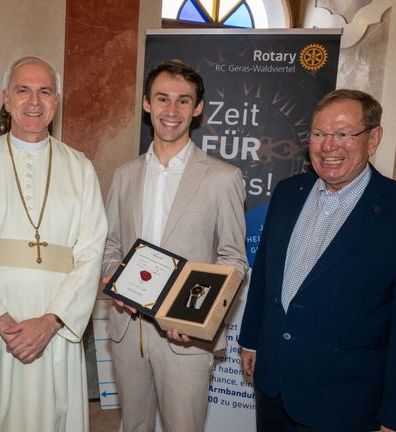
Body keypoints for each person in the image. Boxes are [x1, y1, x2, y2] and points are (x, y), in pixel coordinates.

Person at [239, 89, 396, 431]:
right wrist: (251, 340)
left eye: (343, 134)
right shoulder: (289, 193)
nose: (327, 145)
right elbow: (264, 277)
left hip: (344, 404)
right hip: (274, 389)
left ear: (373, 139)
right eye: (319, 133)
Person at [0, 56, 107, 432]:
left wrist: (49, 322)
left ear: (56, 102)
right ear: (6, 99)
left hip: (53, 332)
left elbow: (91, 255)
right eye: (22, 90)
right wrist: (0, 321)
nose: (34, 101)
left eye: (44, 92)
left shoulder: (81, 169)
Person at [102, 59, 248, 431]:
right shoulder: (124, 174)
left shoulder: (223, 178)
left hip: (185, 336)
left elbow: (234, 260)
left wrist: (200, 317)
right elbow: (112, 246)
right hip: (128, 327)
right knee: (133, 425)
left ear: (198, 109)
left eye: (183, 101)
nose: (172, 110)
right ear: (147, 104)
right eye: (162, 99)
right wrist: (112, 280)